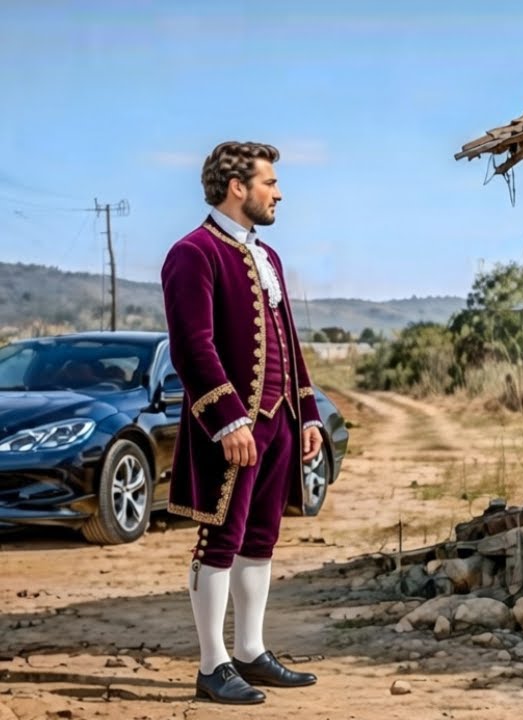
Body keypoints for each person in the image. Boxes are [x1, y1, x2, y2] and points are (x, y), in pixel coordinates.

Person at [161, 141, 324, 705]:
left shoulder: (269, 256)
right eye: (270, 182)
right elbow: (192, 345)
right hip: (231, 426)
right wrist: (227, 418)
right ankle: (212, 665)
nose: (278, 192)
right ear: (238, 187)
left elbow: (289, 342)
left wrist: (308, 413)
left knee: (261, 538)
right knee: (220, 540)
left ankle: (251, 652)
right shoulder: (194, 252)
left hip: (279, 421)